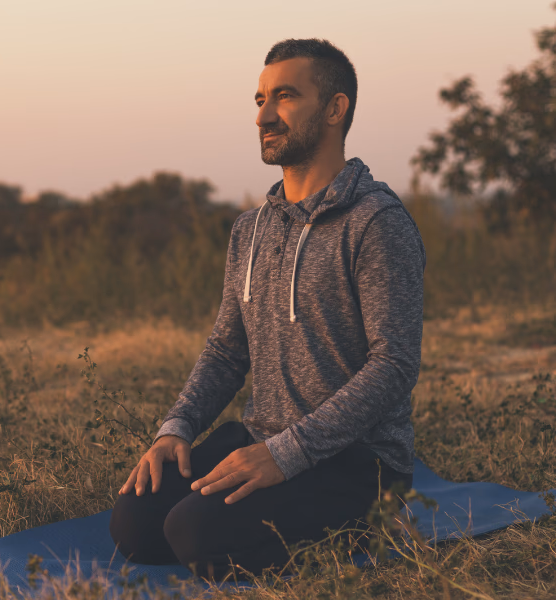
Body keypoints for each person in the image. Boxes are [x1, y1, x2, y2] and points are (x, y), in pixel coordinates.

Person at [108, 38, 426, 581]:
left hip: (357, 462)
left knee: (194, 534)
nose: (264, 115)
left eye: (283, 96)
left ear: (334, 108)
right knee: (135, 526)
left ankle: (367, 523)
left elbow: (393, 364)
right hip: (261, 435)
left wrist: (289, 453)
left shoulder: (376, 222)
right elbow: (228, 350)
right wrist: (176, 429)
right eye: (259, 100)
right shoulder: (251, 229)